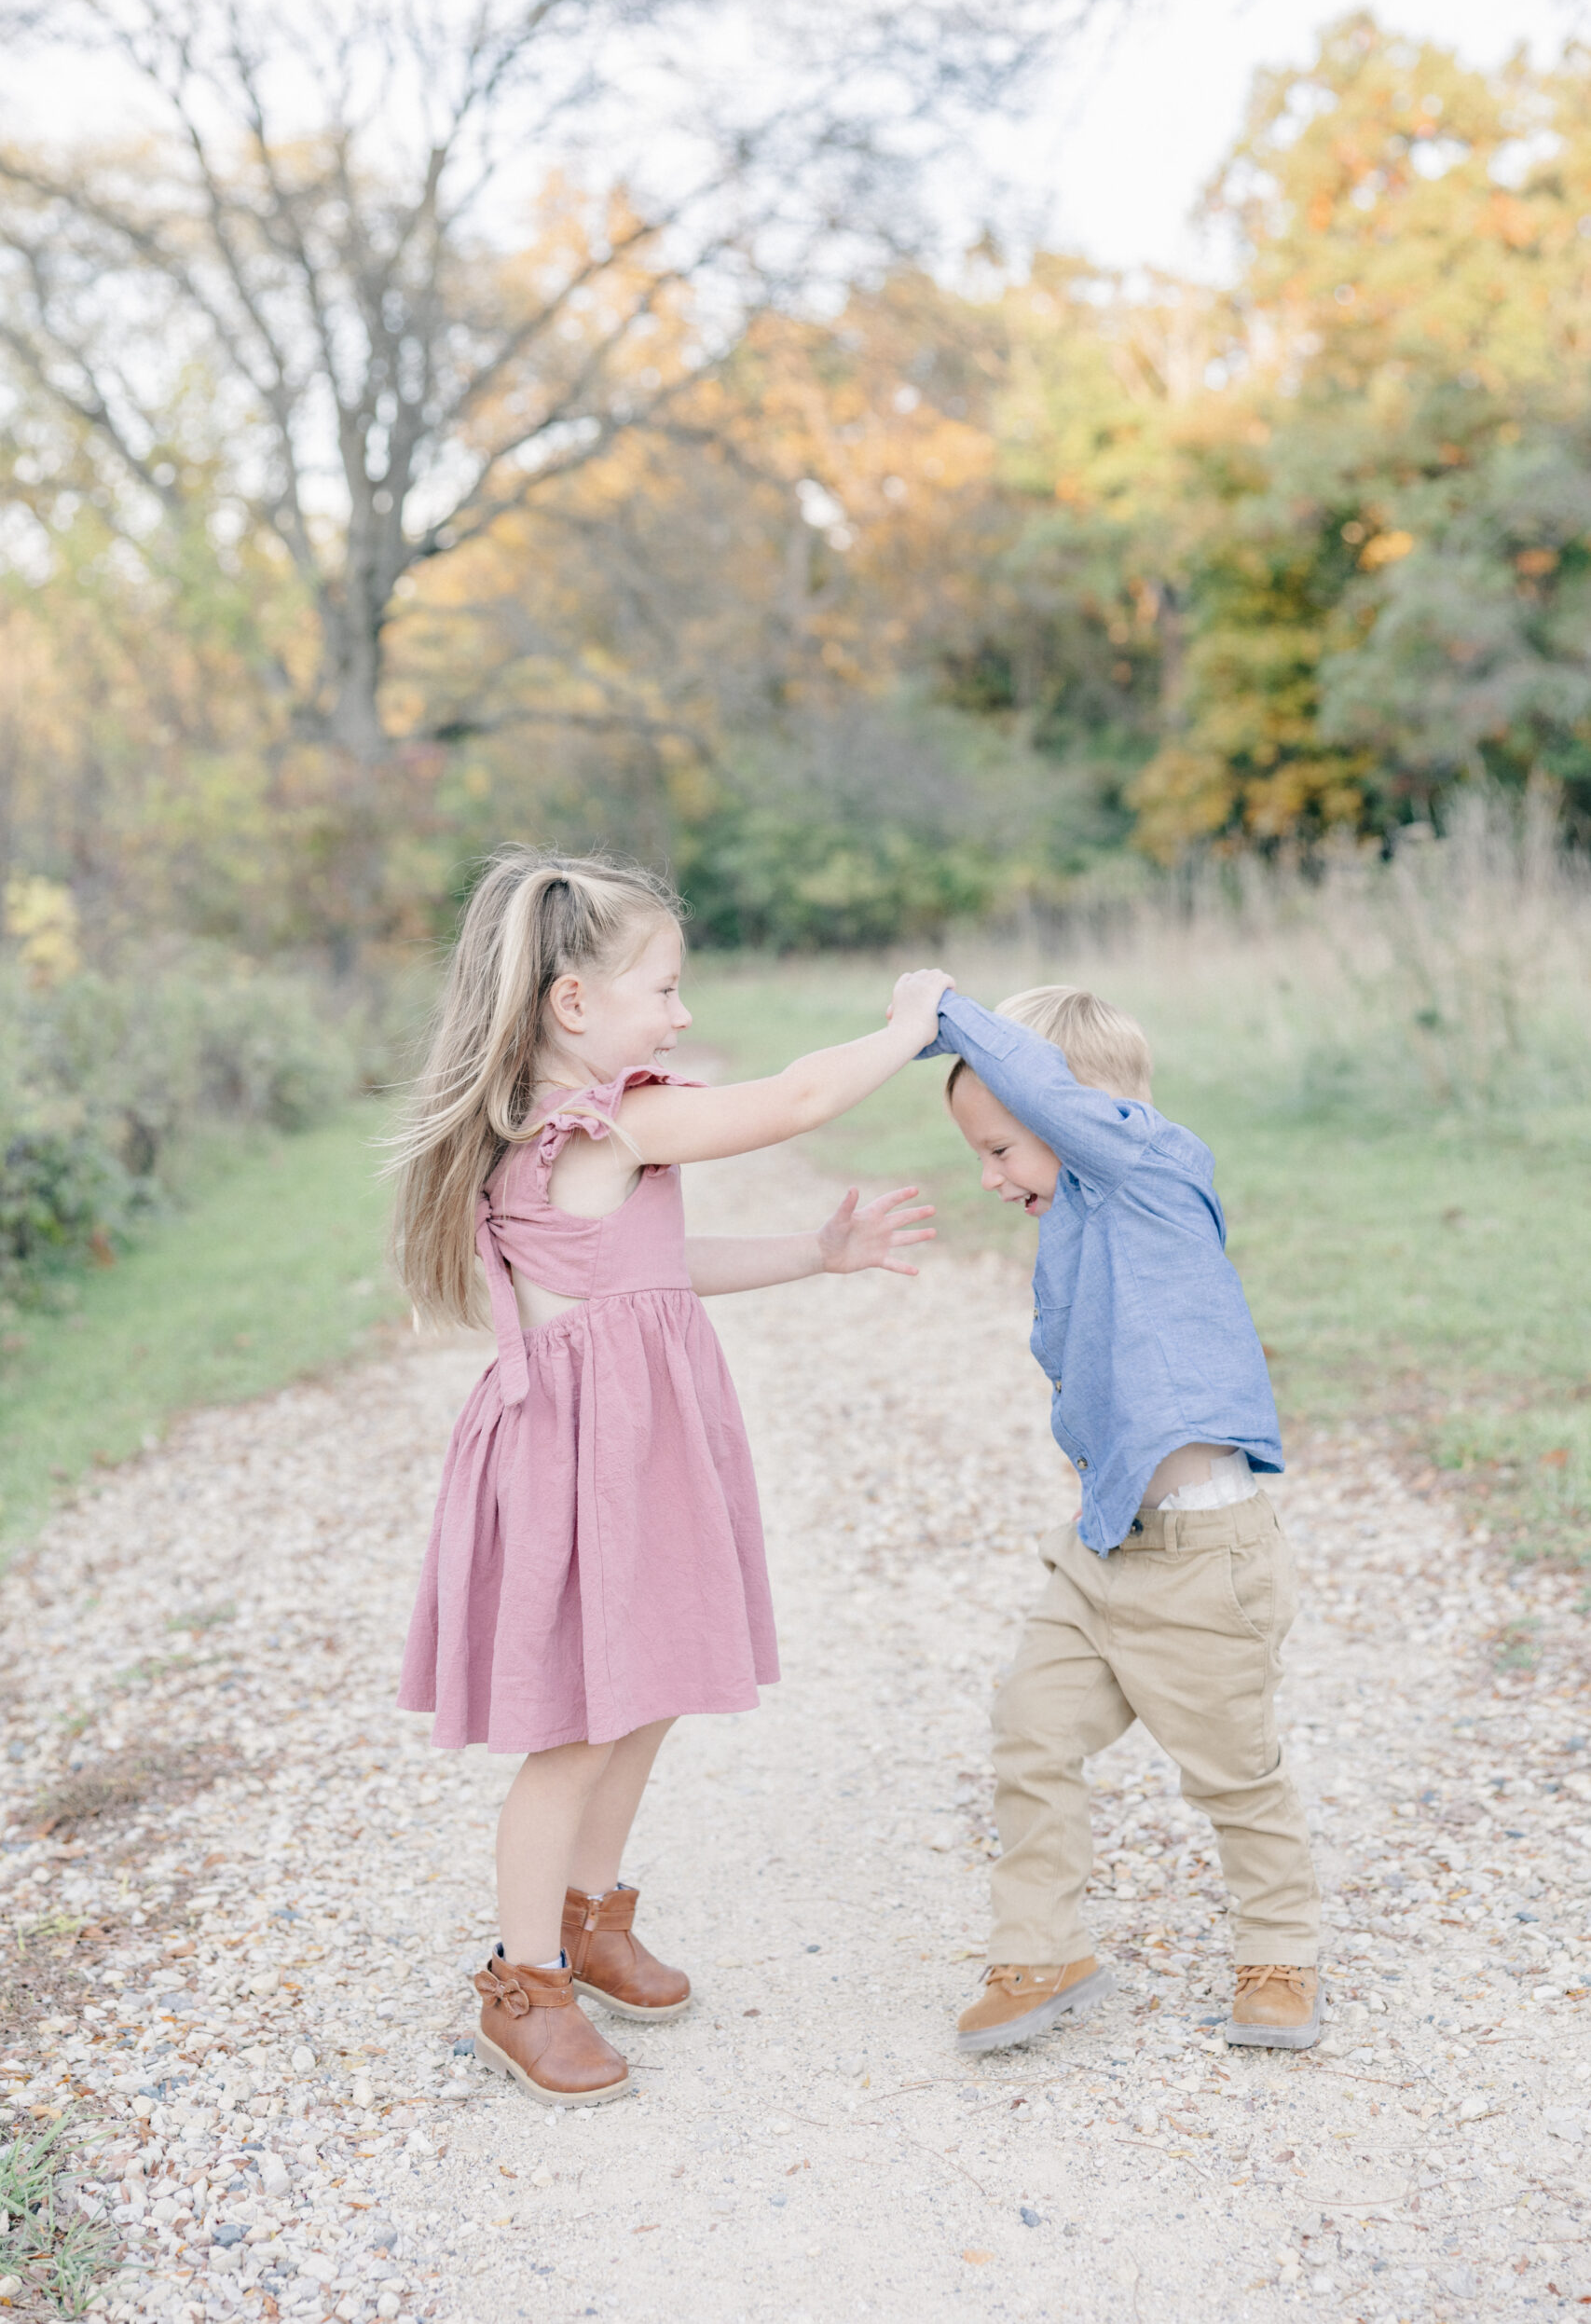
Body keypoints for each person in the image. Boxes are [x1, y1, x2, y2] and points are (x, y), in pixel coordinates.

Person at [391, 849, 949, 2106]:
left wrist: (815, 1251)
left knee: (643, 1687)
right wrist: (905, 1025)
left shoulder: (580, 1132)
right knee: (578, 1725)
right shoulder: (607, 1119)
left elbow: (655, 1268)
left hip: (627, 1446)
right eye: (664, 988)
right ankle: (521, 1983)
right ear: (573, 1005)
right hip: (581, 1455)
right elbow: (798, 1100)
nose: (682, 1015)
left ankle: (588, 1921)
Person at [918, 982, 1321, 2054]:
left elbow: (1055, 1100)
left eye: (1003, 1148)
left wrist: (944, 1008)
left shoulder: (1153, 1175)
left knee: (1234, 1774)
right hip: (1103, 1554)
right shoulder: (1073, 1225)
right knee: (1031, 1735)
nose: (992, 1178)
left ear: (1068, 1113)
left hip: (1206, 1557)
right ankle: (1040, 1948)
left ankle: (1278, 1953)